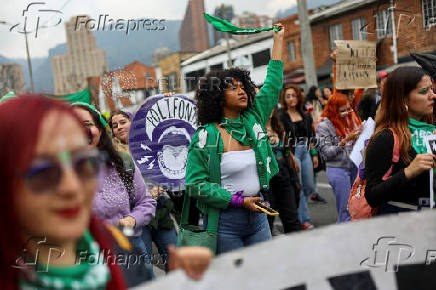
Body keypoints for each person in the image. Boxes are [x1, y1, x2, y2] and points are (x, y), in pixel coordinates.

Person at [0, 96, 212, 288]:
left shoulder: (121, 251)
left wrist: (183, 282)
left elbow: (144, 201)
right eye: (44, 172)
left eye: (82, 164)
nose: (72, 187)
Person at [185, 23, 284, 254]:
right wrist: (238, 201)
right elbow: (195, 185)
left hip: (259, 219)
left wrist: (278, 40)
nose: (242, 91)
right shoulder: (205, 136)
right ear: (218, 98)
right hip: (224, 225)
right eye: (233, 88)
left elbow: (273, 83)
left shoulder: (254, 116)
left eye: (243, 87)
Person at [71, 103, 156, 264]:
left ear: (100, 130)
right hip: (89, 257)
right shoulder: (60, 173)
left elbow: (145, 201)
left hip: (130, 248)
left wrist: (132, 219)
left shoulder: (121, 163)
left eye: (88, 124)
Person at [108, 110, 178, 273]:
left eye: (123, 122)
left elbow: (169, 169)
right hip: (135, 215)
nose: (119, 127)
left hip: (160, 210)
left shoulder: (151, 144)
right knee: (145, 268)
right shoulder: (114, 156)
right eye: (114, 125)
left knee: (175, 259)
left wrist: (162, 186)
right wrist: (146, 195)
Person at [365, 67, 436, 214]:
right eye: (424, 91)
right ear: (403, 99)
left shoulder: (431, 131)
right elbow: (372, 196)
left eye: (432, 89)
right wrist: (408, 172)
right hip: (401, 226)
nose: (433, 96)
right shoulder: (385, 138)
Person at [279, 84, 320, 229]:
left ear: (298, 96)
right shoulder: (282, 116)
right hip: (293, 152)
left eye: (293, 95)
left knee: (309, 185)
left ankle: (298, 212)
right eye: (288, 96)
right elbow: (282, 139)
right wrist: (290, 156)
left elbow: (310, 136)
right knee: (299, 187)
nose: (291, 99)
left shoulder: (303, 114)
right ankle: (304, 220)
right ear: (284, 99)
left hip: (305, 150)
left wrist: (314, 154)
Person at [316, 93, 362, 222]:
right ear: (333, 110)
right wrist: (345, 141)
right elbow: (326, 153)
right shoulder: (323, 126)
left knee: (355, 208)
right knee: (345, 210)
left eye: (348, 109)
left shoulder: (349, 119)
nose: (347, 112)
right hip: (337, 169)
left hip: (354, 166)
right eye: (343, 110)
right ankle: (344, 239)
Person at [265, 108, 301, 233]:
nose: (267, 107)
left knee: (291, 217)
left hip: (284, 174)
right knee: (268, 219)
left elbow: (285, 148)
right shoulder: (253, 127)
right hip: (267, 179)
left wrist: (291, 157)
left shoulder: (278, 125)